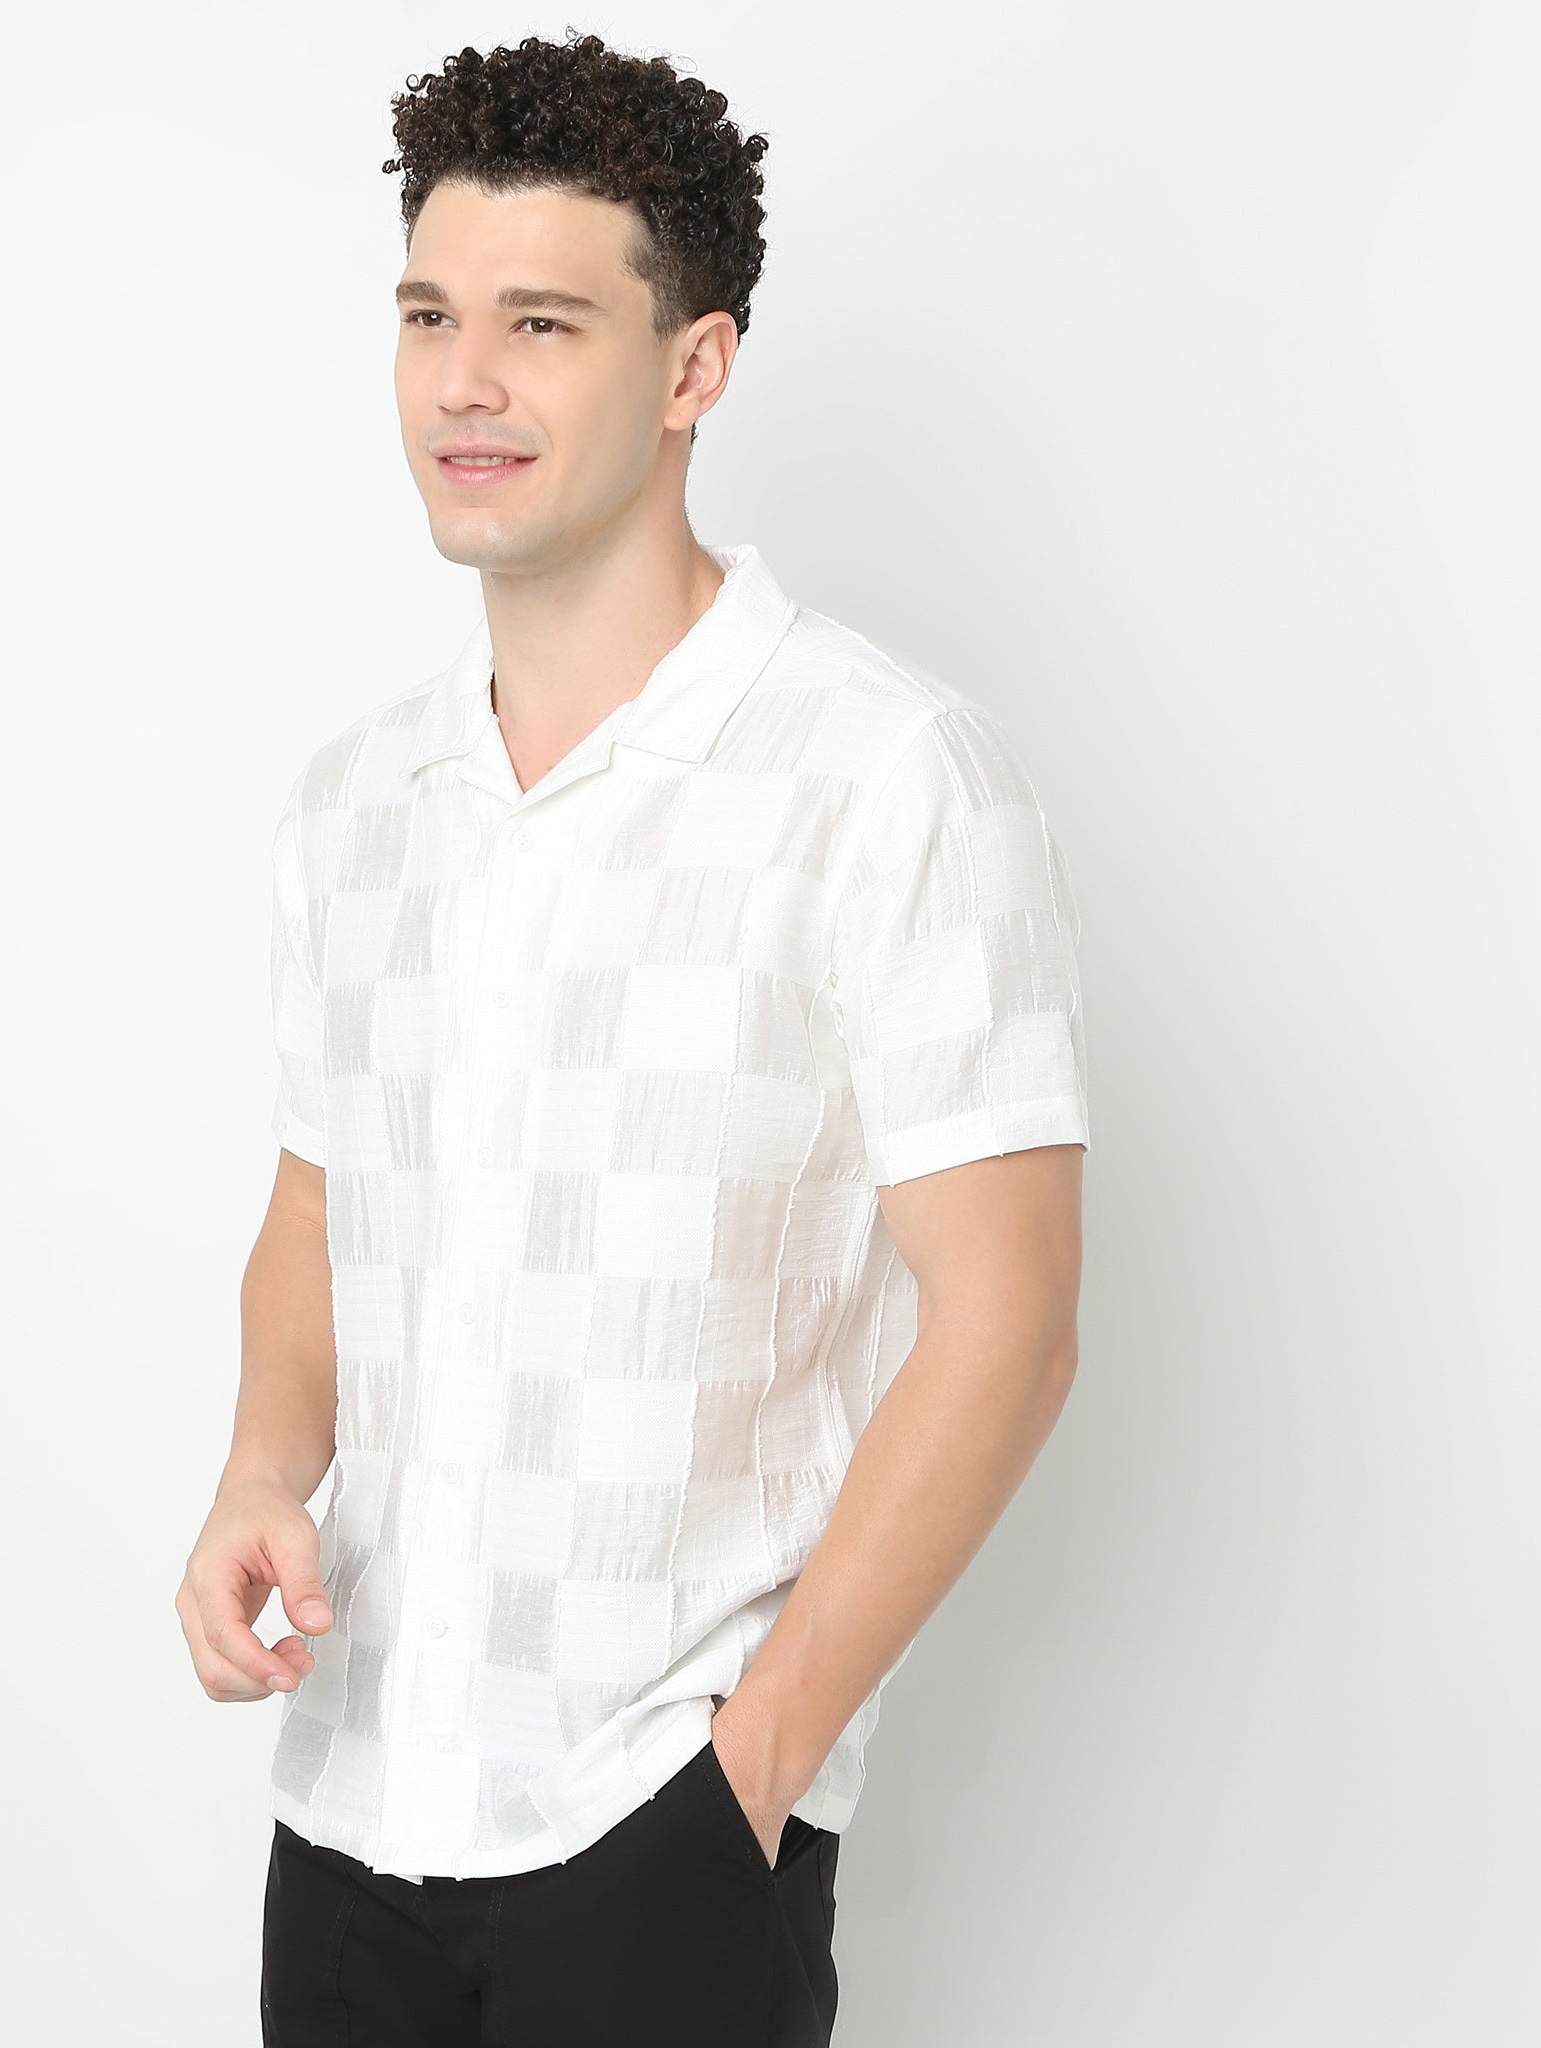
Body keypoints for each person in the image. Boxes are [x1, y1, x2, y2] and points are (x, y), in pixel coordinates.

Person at [174, 30, 1091, 2047]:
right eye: (427, 315)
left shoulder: (886, 778)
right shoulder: (354, 803)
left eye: (540, 323)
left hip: (660, 1829)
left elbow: (1009, 1316)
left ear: (694, 368)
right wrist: (261, 1469)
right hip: (349, 1808)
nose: (461, 382)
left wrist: (753, 1765)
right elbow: (322, 1201)